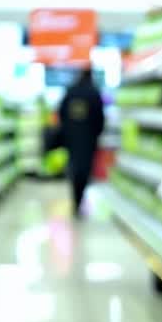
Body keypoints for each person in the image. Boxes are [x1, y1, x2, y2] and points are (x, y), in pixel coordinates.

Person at [57, 67, 104, 217]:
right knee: (85, 169)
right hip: (88, 139)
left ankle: (75, 199)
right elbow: (100, 118)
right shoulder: (94, 93)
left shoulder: (70, 91)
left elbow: (61, 112)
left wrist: (66, 130)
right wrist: (96, 134)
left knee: (74, 167)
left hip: (71, 137)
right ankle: (80, 198)